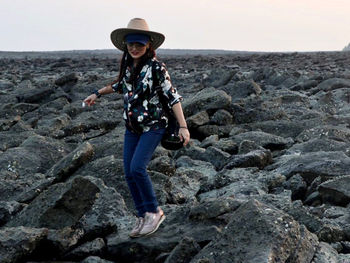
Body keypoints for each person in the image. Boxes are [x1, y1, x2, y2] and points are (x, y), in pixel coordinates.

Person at [83, 18, 190, 237]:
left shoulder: (157, 67)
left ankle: (154, 211)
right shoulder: (129, 66)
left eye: (139, 44)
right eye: (131, 44)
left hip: (154, 126)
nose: (134, 48)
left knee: (137, 168)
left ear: (148, 45)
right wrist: (97, 93)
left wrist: (183, 126)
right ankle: (142, 215)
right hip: (132, 127)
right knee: (128, 173)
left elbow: (172, 96)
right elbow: (119, 85)